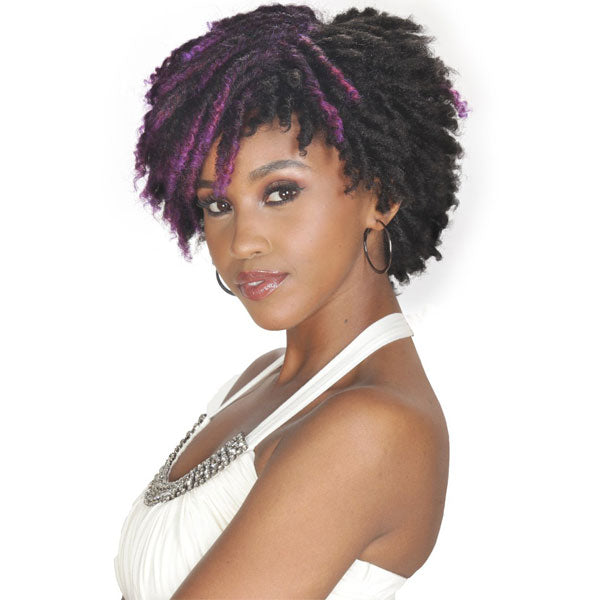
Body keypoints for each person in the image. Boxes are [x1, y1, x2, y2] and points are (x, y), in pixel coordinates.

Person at [114, 4, 469, 598]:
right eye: (217, 205)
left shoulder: (371, 428)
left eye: (280, 192)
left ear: (381, 194)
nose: (241, 242)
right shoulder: (258, 380)